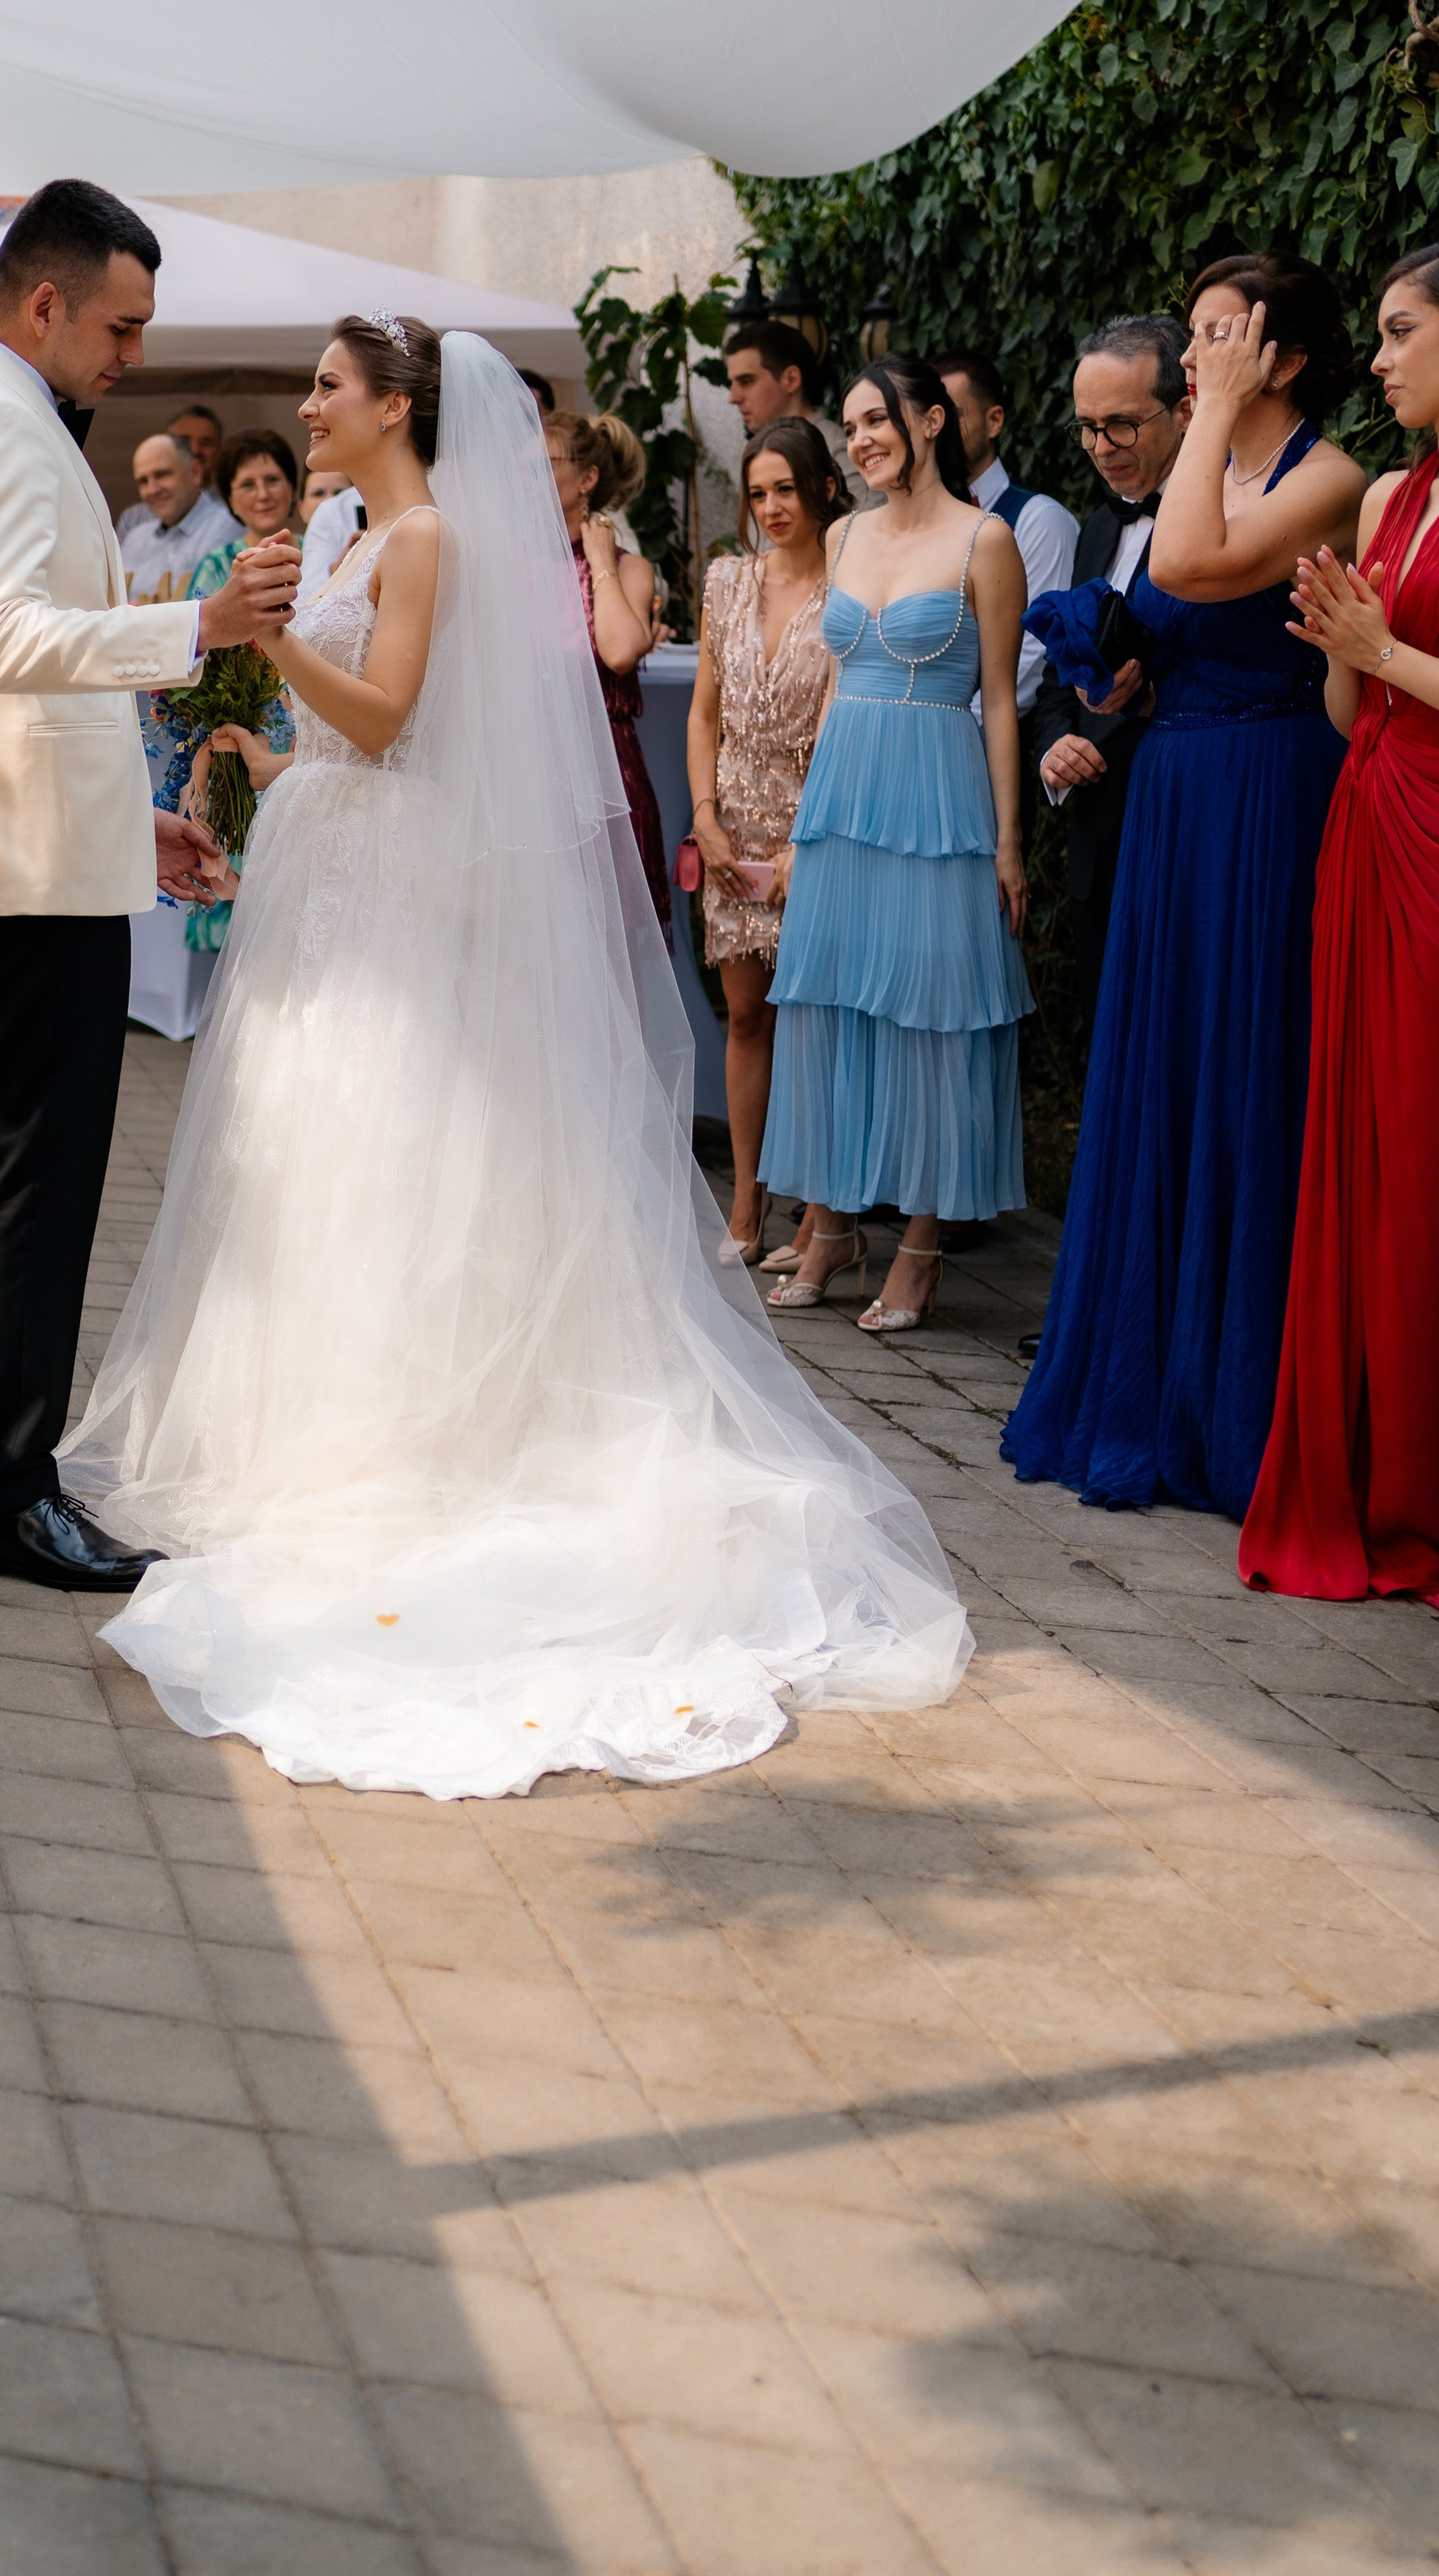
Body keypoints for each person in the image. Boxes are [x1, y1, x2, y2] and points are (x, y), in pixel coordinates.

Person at [60, 315, 973, 1798]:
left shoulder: (424, 539)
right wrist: (258, 765)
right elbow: (346, 740)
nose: (308, 405)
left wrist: (261, 634)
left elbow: (386, 719)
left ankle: (395, 1443)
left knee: (382, 1142)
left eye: (330, 387)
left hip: (387, 883)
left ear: (396, 407)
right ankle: (299, 1425)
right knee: (307, 1155)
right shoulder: (366, 538)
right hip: (328, 865)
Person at [0, 178, 291, 1586]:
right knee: (41, 1173)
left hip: (44, 835)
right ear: (46, 301)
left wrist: (141, 819)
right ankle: (8, 1492)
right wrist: (200, 624)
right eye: (120, 327)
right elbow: (3, 642)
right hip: (29, 856)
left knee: (6, 1153)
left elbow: (28, 668)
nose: (134, 354)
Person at [1003, 250, 1362, 1518]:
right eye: (1196, 334)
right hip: (1173, 796)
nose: (1198, 354)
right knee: (1160, 1074)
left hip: (1268, 795)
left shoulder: (1330, 476)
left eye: (1221, 335)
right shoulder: (1215, 466)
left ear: (1285, 358)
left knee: (1246, 1073)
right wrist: (1117, 673)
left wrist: (1203, 418)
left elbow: (1195, 568)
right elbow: (1163, 606)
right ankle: (1142, 1370)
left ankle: (1236, 1396)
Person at [759, 356, 1032, 1333]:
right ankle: (829, 1227)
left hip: (938, 795)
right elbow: (838, 683)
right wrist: (805, 825)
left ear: (929, 422)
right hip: (843, 797)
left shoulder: (986, 540)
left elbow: (1000, 700)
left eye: (876, 420)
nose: (862, 440)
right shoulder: (842, 533)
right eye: (850, 427)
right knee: (831, 1003)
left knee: (931, 1013)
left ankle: (920, 1245)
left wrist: (1008, 843)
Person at [1243, 247, 1439, 1602]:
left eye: (1402, 331)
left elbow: (1398, 673)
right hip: (1366, 825)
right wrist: (1339, 651)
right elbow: (1348, 710)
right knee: (1361, 1154)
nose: (1379, 358)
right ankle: (1365, 1473)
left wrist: (1382, 652)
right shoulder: (1386, 495)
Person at [686, 418, 846, 1267]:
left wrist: (805, 841)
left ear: (823, 487)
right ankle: (747, 1200)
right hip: (731, 830)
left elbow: (848, 724)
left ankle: (821, 1215)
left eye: (786, 488)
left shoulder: (852, 587)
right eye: (758, 493)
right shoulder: (726, 581)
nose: (772, 507)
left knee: (813, 1022)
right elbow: (702, 712)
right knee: (745, 1016)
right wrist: (704, 817)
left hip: (813, 825)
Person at [1029, 318, 1192, 1035]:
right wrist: (1053, 749)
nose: (1100, 447)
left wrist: (1153, 697)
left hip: (1187, 829)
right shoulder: (1096, 528)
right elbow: (1059, 678)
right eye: (1087, 428)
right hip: (1098, 839)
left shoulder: (1235, 516)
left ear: (1184, 410)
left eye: (1120, 425)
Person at [149, 433, 300, 955]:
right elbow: (204, 653)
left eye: (272, 479)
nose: (262, 493)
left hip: (305, 735)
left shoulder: (320, 555)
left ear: (292, 487)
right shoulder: (219, 566)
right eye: (247, 484)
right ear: (231, 498)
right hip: (239, 737)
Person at [543, 407, 668, 924]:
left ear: (587, 478)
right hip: (533, 773)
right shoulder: (511, 561)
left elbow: (619, 652)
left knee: (614, 941)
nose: (527, 479)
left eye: (545, 465)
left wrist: (598, 561)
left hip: (606, 775)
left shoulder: (627, 566)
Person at [936, 348, 1079, 721]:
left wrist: (947, 726)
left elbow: (1036, 657)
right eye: (930, 417)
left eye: (952, 415)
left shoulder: (1040, 520)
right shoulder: (920, 526)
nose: (937, 431)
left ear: (994, 421)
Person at [726, 316, 858, 506]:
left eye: (746, 381)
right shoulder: (756, 452)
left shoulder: (836, 448)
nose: (733, 397)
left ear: (791, 380)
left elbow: (866, 522)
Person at [116, 429, 230, 603]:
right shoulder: (135, 540)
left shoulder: (229, 528)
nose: (152, 490)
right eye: (143, 482)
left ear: (195, 472)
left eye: (162, 475)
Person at [169, 400, 225, 493]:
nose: (195, 450)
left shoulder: (234, 502)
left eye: (205, 443)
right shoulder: (147, 502)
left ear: (219, 451)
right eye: (184, 441)